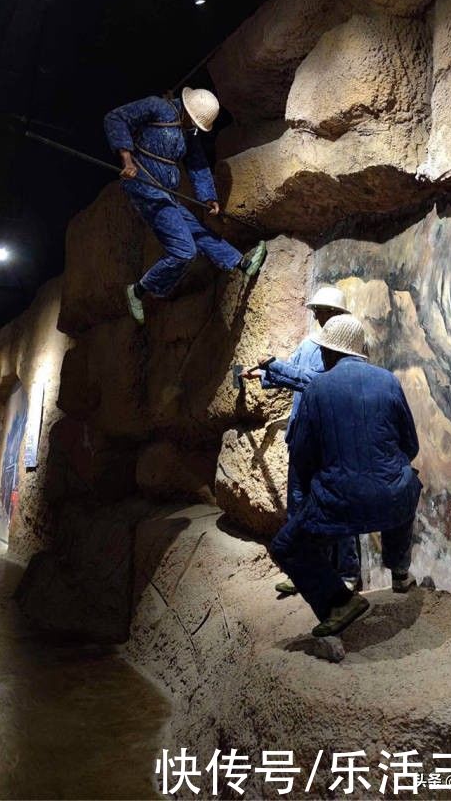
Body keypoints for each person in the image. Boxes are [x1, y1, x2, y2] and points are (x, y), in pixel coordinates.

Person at [270, 313, 421, 638]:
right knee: (408, 481)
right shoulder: (389, 381)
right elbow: (411, 446)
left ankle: (339, 603)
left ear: (328, 352)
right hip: (393, 501)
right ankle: (399, 570)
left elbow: (303, 459)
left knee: (286, 545)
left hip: (341, 507)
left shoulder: (317, 389)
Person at [104, 87, 267, 324]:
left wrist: (208, 196)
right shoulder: (157, 107)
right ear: (188, 111)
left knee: (197, 230)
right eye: (194, 122)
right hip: (143, 185)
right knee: (184, 250)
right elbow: (115, 118)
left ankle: (242, 263)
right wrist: (127, 160)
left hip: (166, 192)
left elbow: (197, 162)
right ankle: (139, 290)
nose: (195, 127)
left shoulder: (188, 131)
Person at [240, 287, 362, 594]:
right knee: (298, 509)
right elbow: (293, 373)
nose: (320, 316)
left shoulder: (345, 352)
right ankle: (306, 573)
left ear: (339, 315)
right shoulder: (309, 346)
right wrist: (265, 375)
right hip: (302, 440)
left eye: (326, 311)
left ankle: (348, 573)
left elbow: (316, 382)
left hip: (331, 443)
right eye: (318, 310)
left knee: (338, 508)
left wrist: (275, 367)